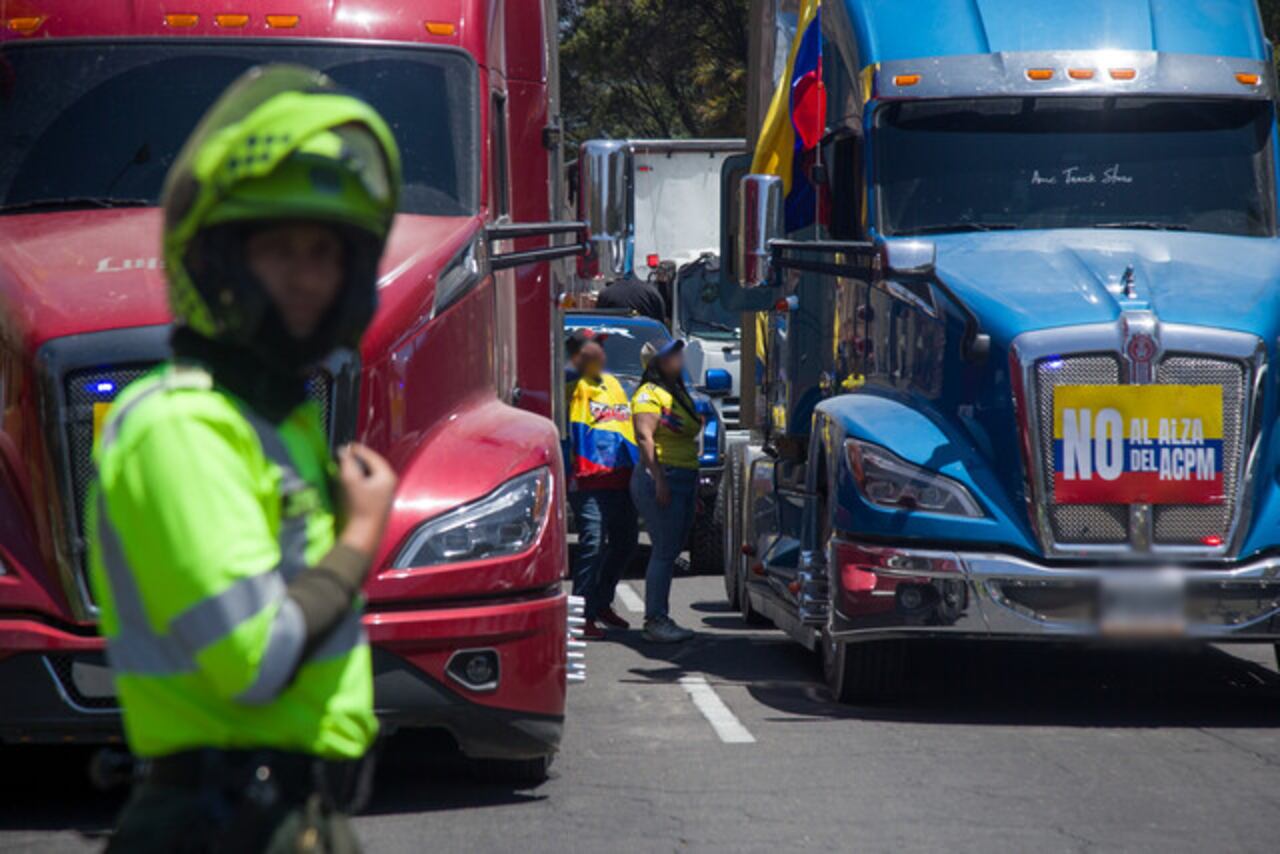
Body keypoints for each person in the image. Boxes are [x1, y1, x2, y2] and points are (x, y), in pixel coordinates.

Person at [87, 65, 401, 853]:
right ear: (221, 256)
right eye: (278, 247)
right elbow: (254, 659)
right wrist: (360, 540)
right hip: (219, 825)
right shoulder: (179, 426)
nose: (306, 275)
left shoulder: (275, 421)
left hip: (288, 819)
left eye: (326, 250)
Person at [564, 329, 640, 638]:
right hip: (587, 481)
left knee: (625, 543)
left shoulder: (615, 385)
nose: (601, 353)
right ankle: (580, 616)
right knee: (592, 545)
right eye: (594, 346)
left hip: (621, 478)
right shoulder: (570, 384)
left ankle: (601, 603)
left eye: (602, 347)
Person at [630, 338, 702, 643]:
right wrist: (658, 477)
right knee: (663, 551)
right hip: (664, 476)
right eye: (671, 355)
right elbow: (645, 438)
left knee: (671, 549)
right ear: (657, 363)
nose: (678, 358)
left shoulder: (676, 392)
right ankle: (655, 620)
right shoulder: (648, 394)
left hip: (684, 476)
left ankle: (660, 616)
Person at [594, 271, 666, 322]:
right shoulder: (652, 292)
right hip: (646, 339)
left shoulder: (606, 293)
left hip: (614, 339)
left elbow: (598, 320)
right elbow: (660, 321)